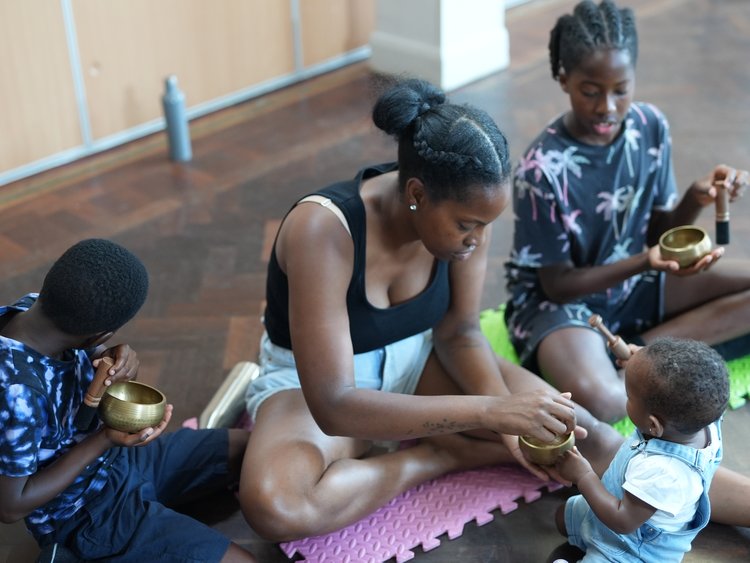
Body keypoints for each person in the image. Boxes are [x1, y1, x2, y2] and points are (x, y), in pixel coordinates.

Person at [238, 77, 627, 542]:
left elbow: (460, 333)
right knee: (280, 505)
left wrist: (508, 422)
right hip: (310, 387)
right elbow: (335, 405)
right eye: (467, 225)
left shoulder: (466, 216)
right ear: (417, 193)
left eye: (486, 226)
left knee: (588, 435)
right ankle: (439, 456)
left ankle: (740, 503)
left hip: (418, 359)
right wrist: (487, 414)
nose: (478, 241)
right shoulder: (323, 230)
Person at [504, 0, 750, 424]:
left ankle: (633, 349)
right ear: (563, 79)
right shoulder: (539, 170)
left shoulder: (650, 127)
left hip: (634, 284)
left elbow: (659, 232)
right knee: (605, 401)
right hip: (561, 307)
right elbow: (559, 285)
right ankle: (626, 359)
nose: (607, 107)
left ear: (635, 77)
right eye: (590, 91)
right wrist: (644, 262)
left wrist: (696, 197)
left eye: (621, 89)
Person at [0, 239, 256, 562]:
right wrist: (105, 439)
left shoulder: (34, 308)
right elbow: (10, 506)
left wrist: (118, 358)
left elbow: (84, 351)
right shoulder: (19, 393)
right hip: (87, 516)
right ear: (100, 333)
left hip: (121, 463)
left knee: (250, 449)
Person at [552, 337, 728, 562]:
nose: (627, 396)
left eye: (629, 395)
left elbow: (622, 521)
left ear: (653, 425)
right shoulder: (702, 416)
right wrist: (642, 363)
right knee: (562, 517)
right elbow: (687, 381)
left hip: (633, 547)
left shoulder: (664, 472)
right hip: (617, 505)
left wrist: (583, 475)